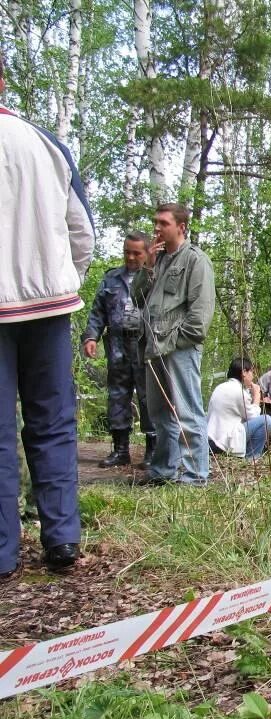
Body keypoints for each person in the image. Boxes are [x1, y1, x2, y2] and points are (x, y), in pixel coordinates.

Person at [1, 51, 95, 584]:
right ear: (4, 80)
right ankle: (61, 536)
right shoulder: (45, 144)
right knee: (53, 423)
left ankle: (2, 551)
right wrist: (64, 279)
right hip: (47, 306)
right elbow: (81, 231)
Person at [133, 202, 215, 485]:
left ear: (180, 227)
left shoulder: (196, 260)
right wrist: (149, 268)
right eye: (155, 222)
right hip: (153, 347)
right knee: (159, 414)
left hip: (179, 348)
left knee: (188, 412)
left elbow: (200, 316)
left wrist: (176, 342)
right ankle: (163, 470)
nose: (156, 228)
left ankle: (195, 476)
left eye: (163, 223)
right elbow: (137, 297)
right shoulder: (158, 260)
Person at [82, 233, 156, 468]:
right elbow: (97, 312)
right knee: (117, 395)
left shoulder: (153, 278)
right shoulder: (111, 279)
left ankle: (152, 450)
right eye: (127, 251)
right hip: (117, 346)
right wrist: (91, 337)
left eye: (137, 253)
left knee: (147, 397)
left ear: (147, 254)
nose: (131, 257)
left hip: (144, 346)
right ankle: (120, 449)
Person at [206, 358, 271, 459]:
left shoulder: (221, 387)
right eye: (251, 372)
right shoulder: (239, 391)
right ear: (244, 372)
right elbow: (253, 416)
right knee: (266, 420)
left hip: (210, 440)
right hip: (224, 443)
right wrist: (257, 396)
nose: (253, 376)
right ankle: (252, 458)